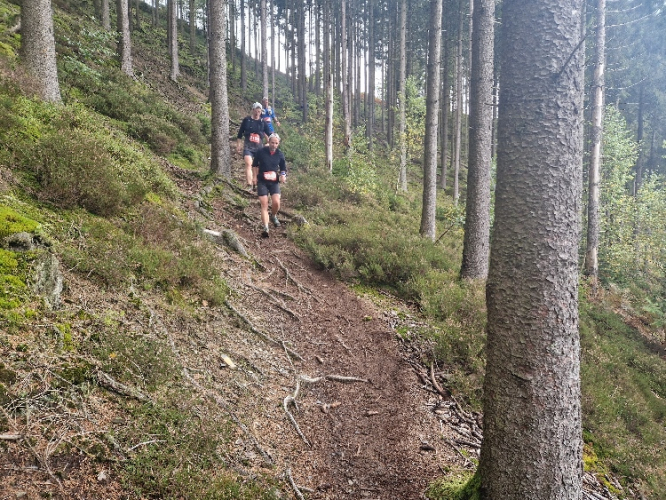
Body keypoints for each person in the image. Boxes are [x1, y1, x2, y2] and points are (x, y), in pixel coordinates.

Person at [252, 133, 287, 238]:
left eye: (276, 143)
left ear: (278, 143)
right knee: (264, 204)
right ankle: (266, 228)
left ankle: (273, 215)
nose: (274, 145)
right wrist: (254, 177)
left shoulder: (280, 154)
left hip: (274, 182)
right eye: (272, 143)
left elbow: (283, 168)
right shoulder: (261, 151)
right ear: (269, 141)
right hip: (262, 181)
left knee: (276, 202)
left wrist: (283, 175)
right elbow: (254, 165)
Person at [237, 102, 271, 190]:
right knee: (248, 163)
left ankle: (256, 183)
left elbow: (270, 134)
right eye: (256, 111)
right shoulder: (247, 120)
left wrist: (269, 143)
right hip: (248, 146)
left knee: (257, 167)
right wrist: (238, 144)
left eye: (259, 111)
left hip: (259, 148)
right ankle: (249, 184)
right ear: (253, 110)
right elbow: (240, 133)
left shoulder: (262, 122)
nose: (257, 113)